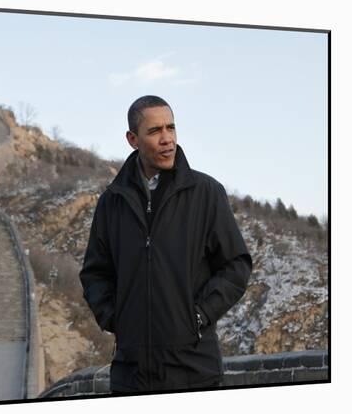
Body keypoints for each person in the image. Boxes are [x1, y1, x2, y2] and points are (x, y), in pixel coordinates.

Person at [79, 95, 252, 393]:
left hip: (195, 371)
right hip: (130, 375)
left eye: (170, 128)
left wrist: (197, 316)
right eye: (155, 131)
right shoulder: (112, 202)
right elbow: (95, 273)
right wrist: (118, 319)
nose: (167, 139)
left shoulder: (206, 193)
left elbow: (236, 265)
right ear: (132, 139)